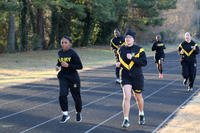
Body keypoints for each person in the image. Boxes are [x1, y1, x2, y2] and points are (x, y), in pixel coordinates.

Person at [117, 29, 147, 128]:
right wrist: (118, 64)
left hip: (137, 76)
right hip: (125, 76)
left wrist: (133, 58)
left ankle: (141, 113)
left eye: (129, 37)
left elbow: (144, 63)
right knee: (126, 96)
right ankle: (126, 119)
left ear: (133, 39)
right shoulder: (121, 49)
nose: (127, 39)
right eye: (126, 37)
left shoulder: (139, 49)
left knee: (138, 97)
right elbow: (119, 60)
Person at [56, 35, 83, 123]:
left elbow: (80, 66)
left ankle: (78, 112)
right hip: (63, 77)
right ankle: (65, 114)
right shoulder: (60, 52)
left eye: (65, 42)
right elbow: (59, 62)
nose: (63, 44)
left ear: (70, 44)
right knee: (62, 95)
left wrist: (69, 66)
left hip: (73, 78)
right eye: (62, 42)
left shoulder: (73, 53)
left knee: (76, 97)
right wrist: (58, 66)